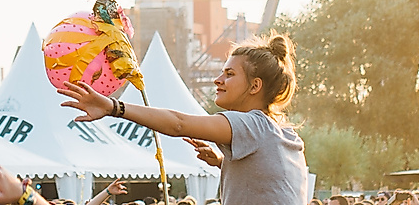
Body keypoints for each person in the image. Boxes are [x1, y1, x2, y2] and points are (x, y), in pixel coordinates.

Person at [60, 36, 306, 205]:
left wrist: (113, 107)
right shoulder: (284, 133)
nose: (217, 80)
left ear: (255, 86)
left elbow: (178, 124)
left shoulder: (252, 125)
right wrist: (222, 163)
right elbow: (271, 183)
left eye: (229, 74)